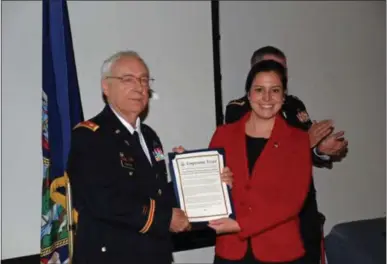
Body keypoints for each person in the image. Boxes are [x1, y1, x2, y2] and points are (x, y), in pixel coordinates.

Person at [224, 46, 348, 263]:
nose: (277, 74)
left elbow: (306, 149)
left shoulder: (294, 105)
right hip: (265, 217)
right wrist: (303, 144)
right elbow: (255, 159)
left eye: (282, 70)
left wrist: (321, 148)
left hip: (302, 210)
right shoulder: (239, 109)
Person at [67, 51, 192, 264]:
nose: (139, 87)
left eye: (144, 80)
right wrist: (165, 219)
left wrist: (189, 177)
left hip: (154, 254)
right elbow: (103, 200)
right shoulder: (89, 136)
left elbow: (154, 194)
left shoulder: (150, 137)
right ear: (106, 87)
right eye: (128, 79)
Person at [208, 60, 312, 264]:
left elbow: (291, 202)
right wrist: (188, 166)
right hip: (230, 252)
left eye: (275, 90)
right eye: (259, 89)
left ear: (283, 96)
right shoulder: (223, 135)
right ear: (248, 95)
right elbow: (212, 188)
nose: (266, 98)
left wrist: (240, 225)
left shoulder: (298, 141)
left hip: (280, 253)